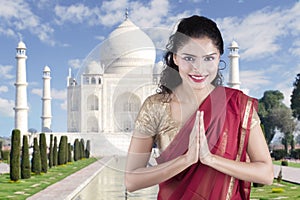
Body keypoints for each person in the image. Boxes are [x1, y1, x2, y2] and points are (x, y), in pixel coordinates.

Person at [125, 15, 274, 200]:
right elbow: (132, 181)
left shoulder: (237, 106)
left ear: (219, 58)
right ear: (176, 58)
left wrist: (210, 159)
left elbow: (266, 173)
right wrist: (185, 160)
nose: (199, 68)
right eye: (189, 58)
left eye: (208, 58)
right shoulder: (155, 107)